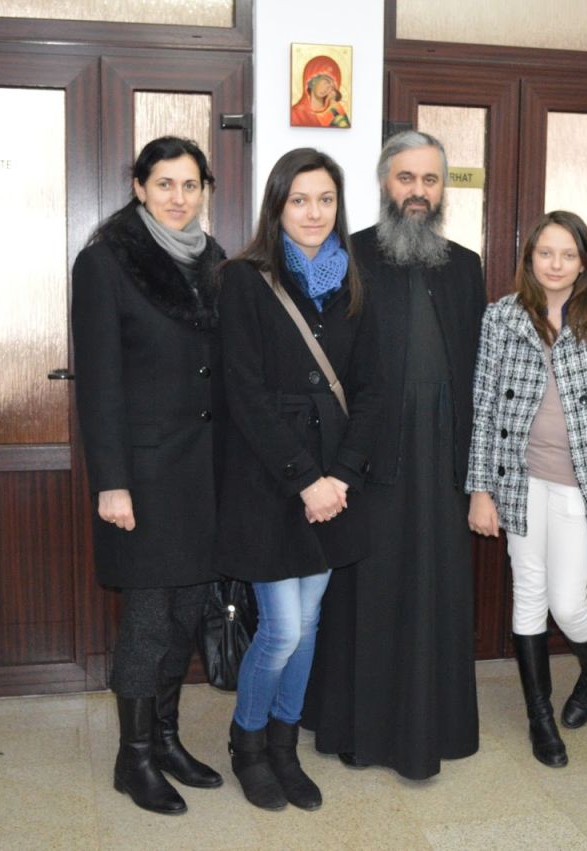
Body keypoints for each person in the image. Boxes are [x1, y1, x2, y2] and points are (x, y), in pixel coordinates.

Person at [302, 130, 485, 780]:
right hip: (366, 460)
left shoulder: (465, 265)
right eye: (406, 178)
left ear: (443, 188)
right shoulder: (342, 256)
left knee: (437, 591)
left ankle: (436, 727)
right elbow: (318, 362)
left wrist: (479, 474)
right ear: (385, 183)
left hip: (444, 462)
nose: (418, 191)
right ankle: (360, 729)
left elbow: (479, 373)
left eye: (430, 179)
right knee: (368, 596)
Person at [217, 148, 380, 811]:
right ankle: (248, 741)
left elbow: (371, 389)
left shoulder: (353, 283)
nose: (314, 213)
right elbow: (244, 393)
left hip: (334, 481)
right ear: (277, 207)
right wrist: (306, 479)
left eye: (326, 199)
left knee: (308, 624)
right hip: (269, 480)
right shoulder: (244, 279)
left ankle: (284, 745)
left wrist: (341, 476)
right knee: (282, 628)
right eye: (300, 200)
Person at [70, 136, 226, 815]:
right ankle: (131, 759)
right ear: (139, 187)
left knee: (188, 611)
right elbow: (99, 382)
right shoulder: (106, 262)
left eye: (190, 185)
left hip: (203, 471)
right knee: (149, 619)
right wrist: (111, 481)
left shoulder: (214, 260)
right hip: (143, 475)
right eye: (164, 183)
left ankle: (165, 738)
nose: (178, 197)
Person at [466, 210, 587, 768]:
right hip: (518, 479)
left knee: (567, 603)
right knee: (528, 593)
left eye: (568, 254)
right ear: (530, 258)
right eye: (546, 253)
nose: (556, 264)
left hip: (580, 483)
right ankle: (539, 717)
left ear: (585, 262)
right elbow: (484, 405)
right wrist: (480, 490)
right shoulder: (502, 316)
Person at [290, 54, 351, 128]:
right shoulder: (295, 114)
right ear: (313, 80)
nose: (328, 88)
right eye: (326, 81)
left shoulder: (335, 111)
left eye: (332, 87)